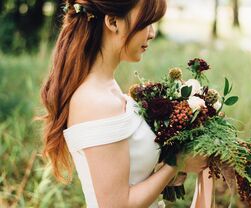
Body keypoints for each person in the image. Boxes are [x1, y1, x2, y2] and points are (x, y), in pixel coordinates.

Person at [40, 0, 211, 207]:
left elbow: (130, 176)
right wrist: (176, 163)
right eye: (146, 23)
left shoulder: (108, 88)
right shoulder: (96, 101)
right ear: (113, 22)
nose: (152, 33)